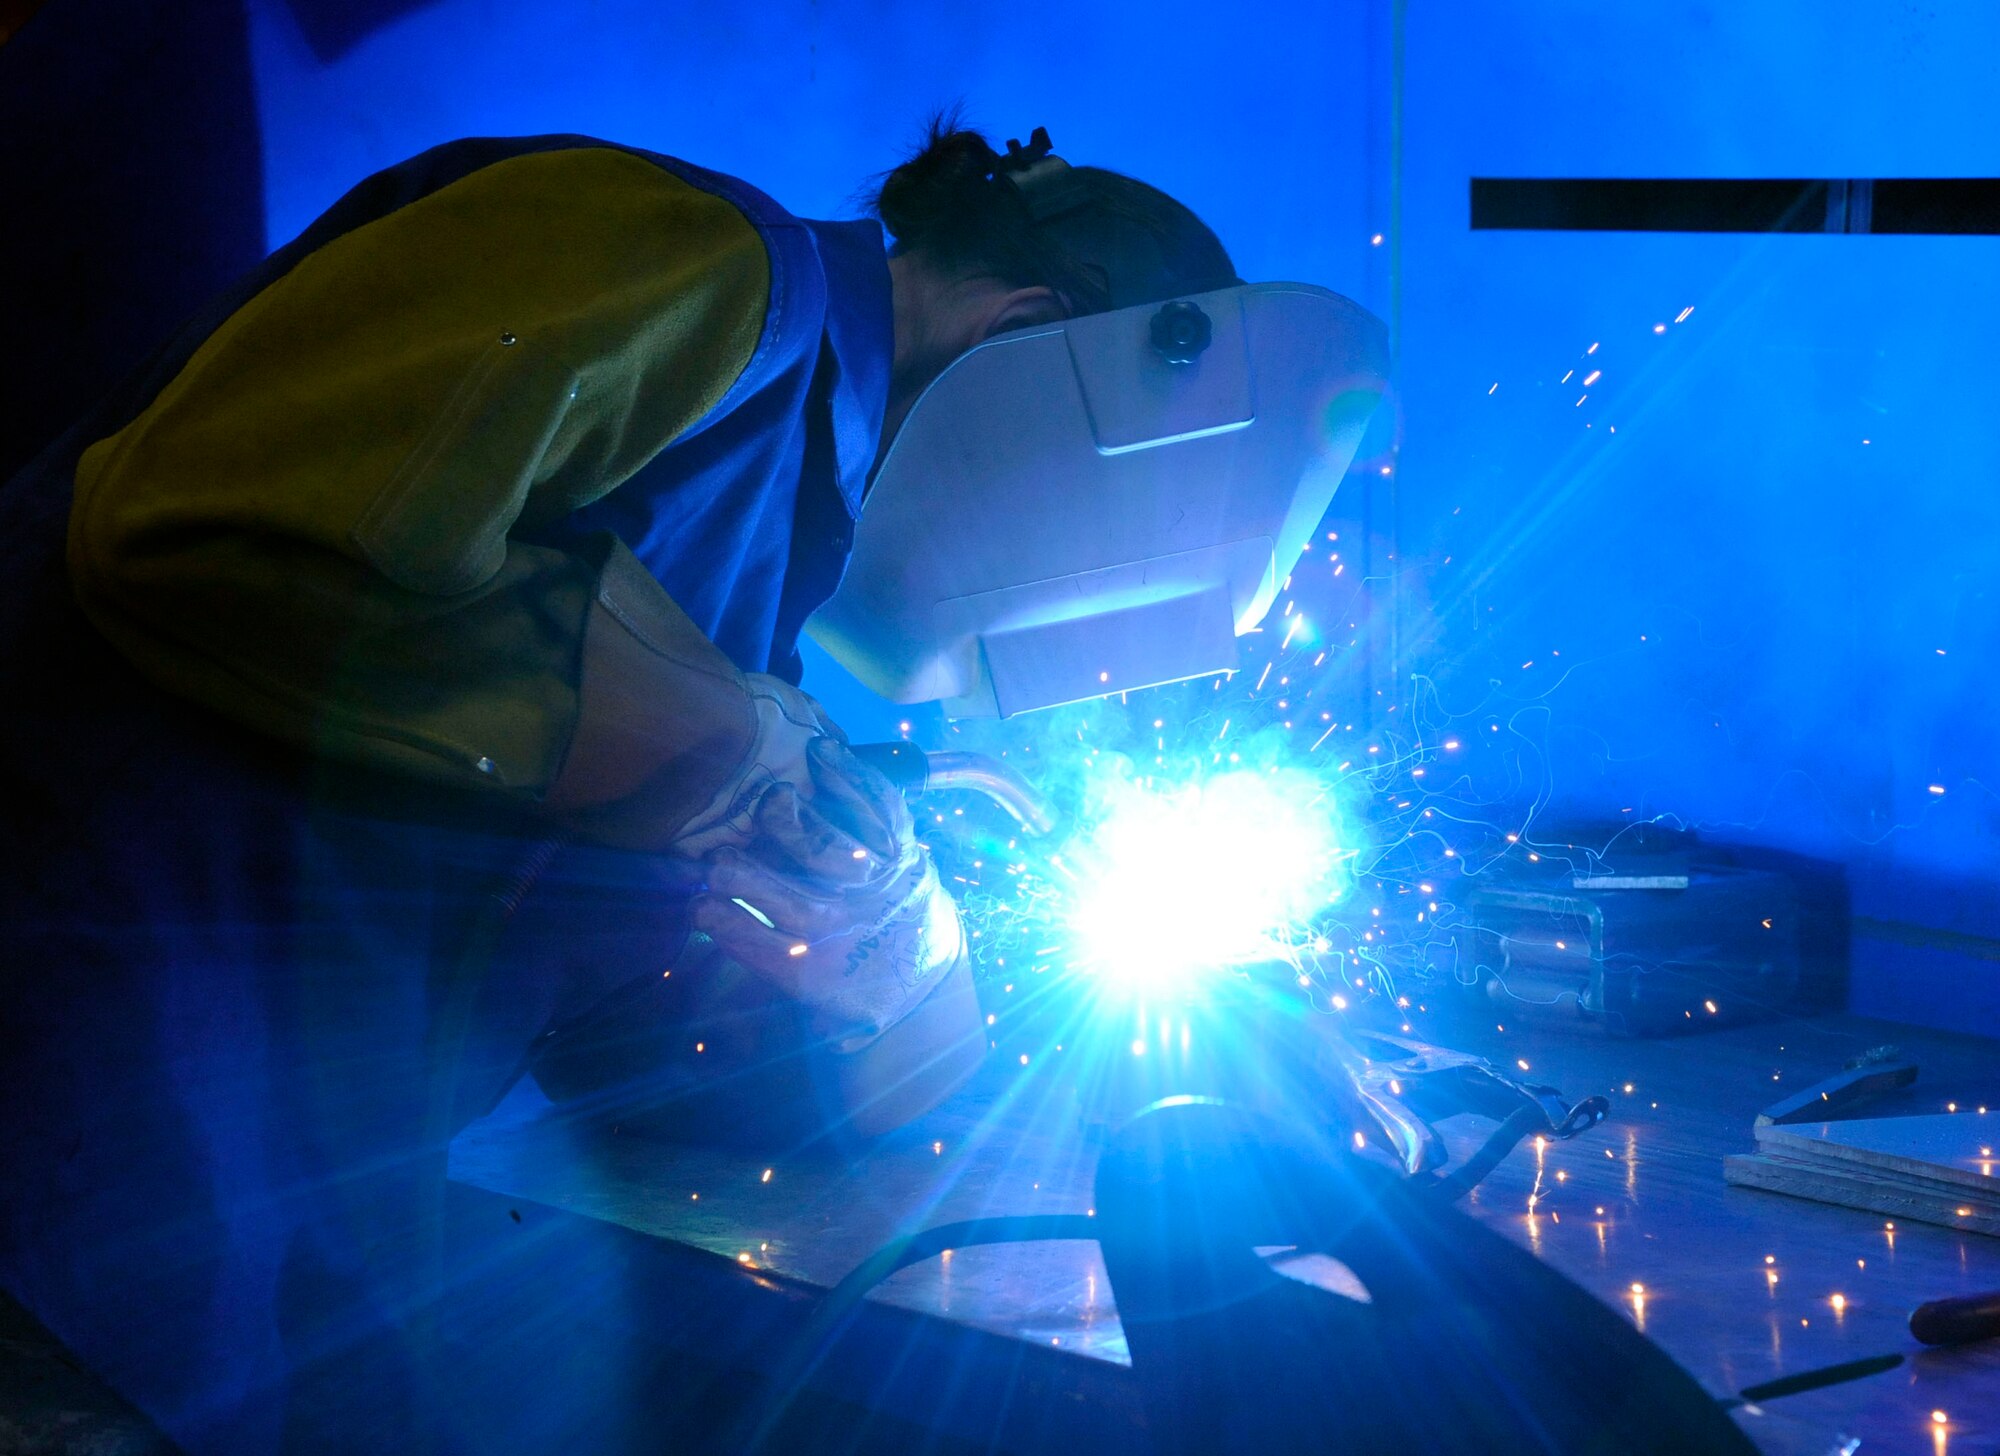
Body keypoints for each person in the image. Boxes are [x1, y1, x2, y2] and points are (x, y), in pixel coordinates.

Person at [0, 120, 1238, 1452]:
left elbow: (577, 953)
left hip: (237, 1231)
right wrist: (742, 754)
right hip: (60, 1158)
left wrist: (869, 982)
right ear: (1022, 338)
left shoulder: (766, 553)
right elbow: (223, 527)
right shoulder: (708, 264)